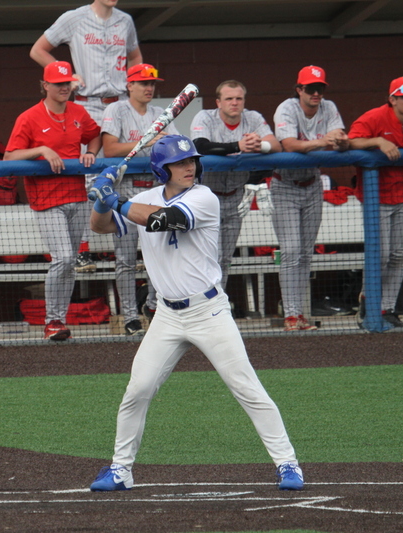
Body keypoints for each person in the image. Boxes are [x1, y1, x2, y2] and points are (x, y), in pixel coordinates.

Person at [86, 135, 303, 492]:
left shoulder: (204, 198)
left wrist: (116, 199)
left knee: (246, 387)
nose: (189, 167)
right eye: (179, 163)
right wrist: (101, 198)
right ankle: (120, 469)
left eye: (191, 161)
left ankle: (287, 463)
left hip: (208, 311)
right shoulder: (145, 199)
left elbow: (164, 220)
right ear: (162, 169)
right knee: (138, 389)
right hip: (167, 316)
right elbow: (100, 226)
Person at [30, 0, 142, 273]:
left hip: (119, 101)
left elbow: (135, 57)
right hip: (87, 101)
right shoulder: (75, 18)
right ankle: (81, 249)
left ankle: (124, 249)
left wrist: (133, 83)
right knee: (87, 172)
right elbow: (38, 50)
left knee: (121, 172)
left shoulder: (125, 20)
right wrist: (66, 75)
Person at [4, 61, 101, 341]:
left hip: (77, 197)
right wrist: (41, 150)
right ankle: (52, 320)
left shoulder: (78, 112)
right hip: (46, 199)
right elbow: (9, 156)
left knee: (70, 263)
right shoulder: (29, 117)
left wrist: (90, 153)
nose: (64, 88)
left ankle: (59, 320)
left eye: (67, 83)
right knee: (65, 258)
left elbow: (94, 136)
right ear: (45, 85)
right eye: (58, 84)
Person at [101, 64, 179, 334]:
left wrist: (162, 143)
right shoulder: (116, 109)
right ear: (129, 85)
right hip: (126, 189)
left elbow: (175, 146)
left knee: (161, 252)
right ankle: (129, 317)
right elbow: (109, 149)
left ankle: (154, 305)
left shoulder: (160, 113)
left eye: (152, 83)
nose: (149, 88)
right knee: (125, 259)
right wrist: (147, 142)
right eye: (144, 83)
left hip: (156, 190)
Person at [273, 65, 349, 331]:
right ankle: (290, 315)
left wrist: (339, 141)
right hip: (285, 185)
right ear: (299, 89)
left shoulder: (329, 107)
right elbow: (289, 144)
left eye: (320, 88)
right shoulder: (287, 108)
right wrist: (323, 142)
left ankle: (299, 313)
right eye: (310, 88)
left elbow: (340, 139)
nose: (316, 93)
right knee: (291, 251)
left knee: (305, 253)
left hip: (312, 184)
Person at [190, 80, 281, 289]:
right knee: (209, 257)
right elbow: (200, 146)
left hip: (235, 198)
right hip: (207, 197)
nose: (234, 102)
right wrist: (237, 146)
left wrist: (259, 145)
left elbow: (276, 145)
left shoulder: (253, 117)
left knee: (225, 259)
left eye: (239, 98)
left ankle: (218, 302)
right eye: (229, 98)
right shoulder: (205, 117)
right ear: (218, 102)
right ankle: (205, 303)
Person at [348, 76, 403, 328]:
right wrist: (378, 141)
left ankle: (388, 308)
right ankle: (369, 300)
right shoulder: (374, 117)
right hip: (378, 197)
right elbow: (350, 142)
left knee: (397, 255)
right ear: (392, 99)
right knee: (380, 255)